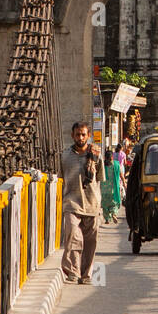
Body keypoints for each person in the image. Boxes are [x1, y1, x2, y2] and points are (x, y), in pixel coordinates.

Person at [61, 121, 104, 284]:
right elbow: (61, 178)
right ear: (72, 136)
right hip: (71, 203)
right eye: (78, 134)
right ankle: (72, 271)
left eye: (83, 134)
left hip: (92, 203)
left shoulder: (96, 156)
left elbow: (100, 179)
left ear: (88, 136)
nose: (80, 137)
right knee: (73, 235)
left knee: (91, 242)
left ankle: (86, 274)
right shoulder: (65, 156)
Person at [101, 143, 123, 224]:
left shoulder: (102, 165)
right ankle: (114, 213)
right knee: (114, 203)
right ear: (112, 157)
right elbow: (121, 175)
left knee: (105, 205)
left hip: (103, 189)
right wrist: (124, 182)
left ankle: (107, 219)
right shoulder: (116, 164)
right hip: (114, 189)